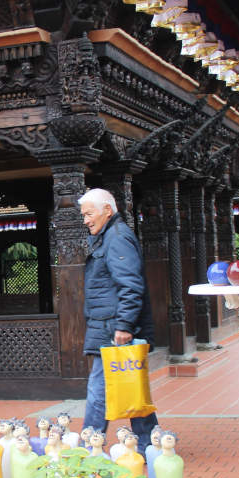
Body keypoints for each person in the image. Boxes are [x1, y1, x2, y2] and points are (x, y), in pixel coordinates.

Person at [78, 188, 159, 455]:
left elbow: (131, 285)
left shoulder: (117, 238)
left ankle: (89, 447)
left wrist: (124, 325)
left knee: (100, 389)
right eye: (84, 215)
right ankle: (149, 444)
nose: (86, 220)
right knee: (130, 384)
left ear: (107, 210)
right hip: (108, 324)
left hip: (113, 327)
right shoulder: (109, 237)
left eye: (89, 214)